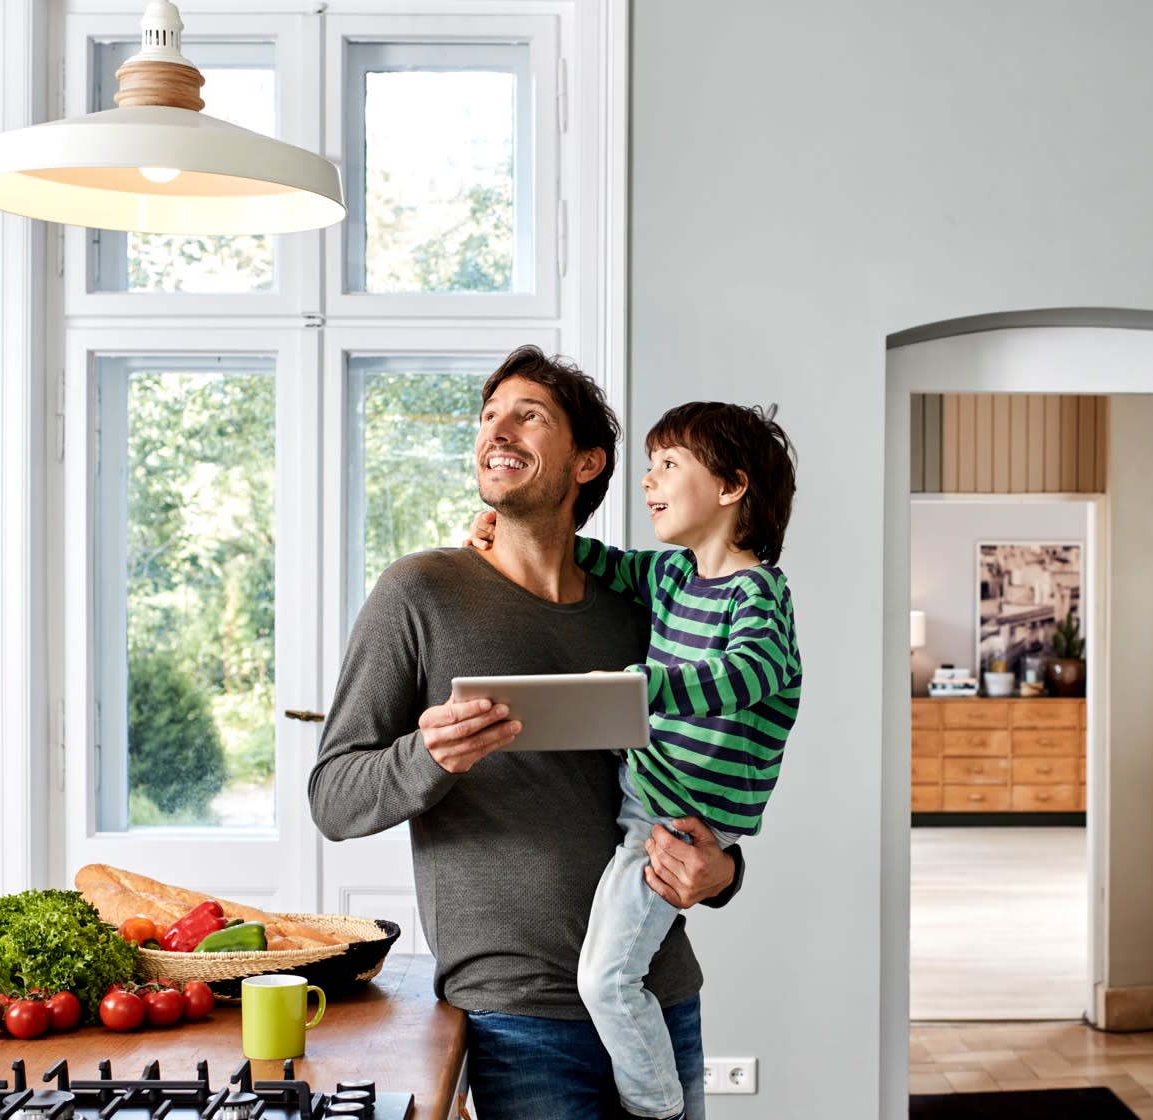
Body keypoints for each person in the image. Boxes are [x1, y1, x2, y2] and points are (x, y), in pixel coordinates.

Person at [308, 347, 742, 1120]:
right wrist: (427, 754)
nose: (496, 430)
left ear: (586, 463)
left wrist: (724, 874)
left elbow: (707, 769)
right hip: (516, 1018)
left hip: (658, 995)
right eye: (488, 415)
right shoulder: (418, 593)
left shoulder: (640, 608)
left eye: (527, 414)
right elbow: (334, 799)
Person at [472, 400, 802, 1119]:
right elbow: (603, 563)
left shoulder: (759, 593)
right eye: (649, 466)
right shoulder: (675, 576)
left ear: (731, 487)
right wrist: (505, 531)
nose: (648, 482)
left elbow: (750, 672)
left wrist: (642, 689)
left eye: (668, 465)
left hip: (674, 822)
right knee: (611, 972)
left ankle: (656, 1105)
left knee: (607, 978)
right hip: (651, 800)